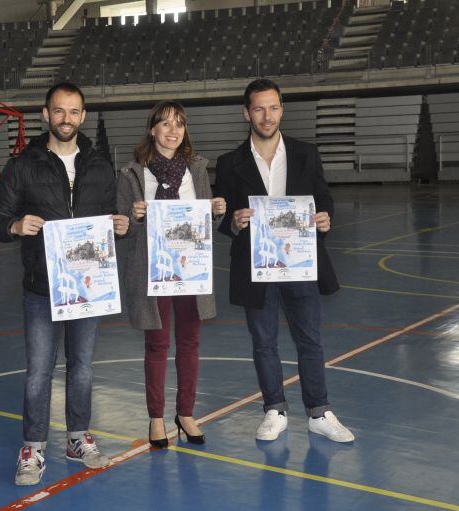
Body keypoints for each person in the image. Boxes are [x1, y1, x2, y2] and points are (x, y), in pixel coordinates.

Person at [0, 82, 130, 486]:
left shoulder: (100, 165)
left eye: (74, 111)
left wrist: (121, 226)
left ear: (83, 116)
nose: (67, 119)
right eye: (59, 111)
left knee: (82, 368)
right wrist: (14, 225)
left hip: (87, 289)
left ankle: (77, 439)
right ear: (46, 115)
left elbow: (112, 217)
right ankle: (33, 447)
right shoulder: (24, 165)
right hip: (41, 288)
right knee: (39, 372)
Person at [214, 79, 354, 443]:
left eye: (273, 107)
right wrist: (233, 221)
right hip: (254, 265)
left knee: (310, 339)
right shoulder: (230, 163)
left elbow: (324, 198)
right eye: (259, 108)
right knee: (264, 342)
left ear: (282, 109)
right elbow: (220, 212)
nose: (267, 115)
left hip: (300, 263)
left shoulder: (306, 153)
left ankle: (319, 411)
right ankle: (274, 409)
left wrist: (325, 218)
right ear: (246, 113)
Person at [116, 101, 226, 448]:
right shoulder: (132, 174)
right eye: (165, 124)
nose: (173, 130)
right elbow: (120, 228)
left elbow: (207, 222)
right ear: (152, 130)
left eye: (179, 123)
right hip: (153, 271)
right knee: (158, 344)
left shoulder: (198, 170)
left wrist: (217, 211)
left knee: (190, 342)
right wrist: (132, 217)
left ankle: (186, 413)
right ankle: (156, 417)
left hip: (191, 270)